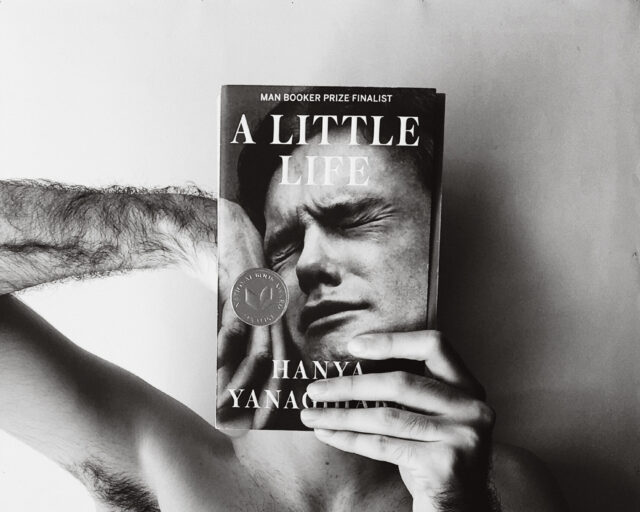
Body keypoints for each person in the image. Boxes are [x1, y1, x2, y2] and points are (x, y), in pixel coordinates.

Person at [0, 108, 568, 511]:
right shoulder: (164, 470)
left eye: (354, 221)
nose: (310, 265)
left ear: (432, 248)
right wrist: (173, 226)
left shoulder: (507, 491)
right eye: (284, 245)